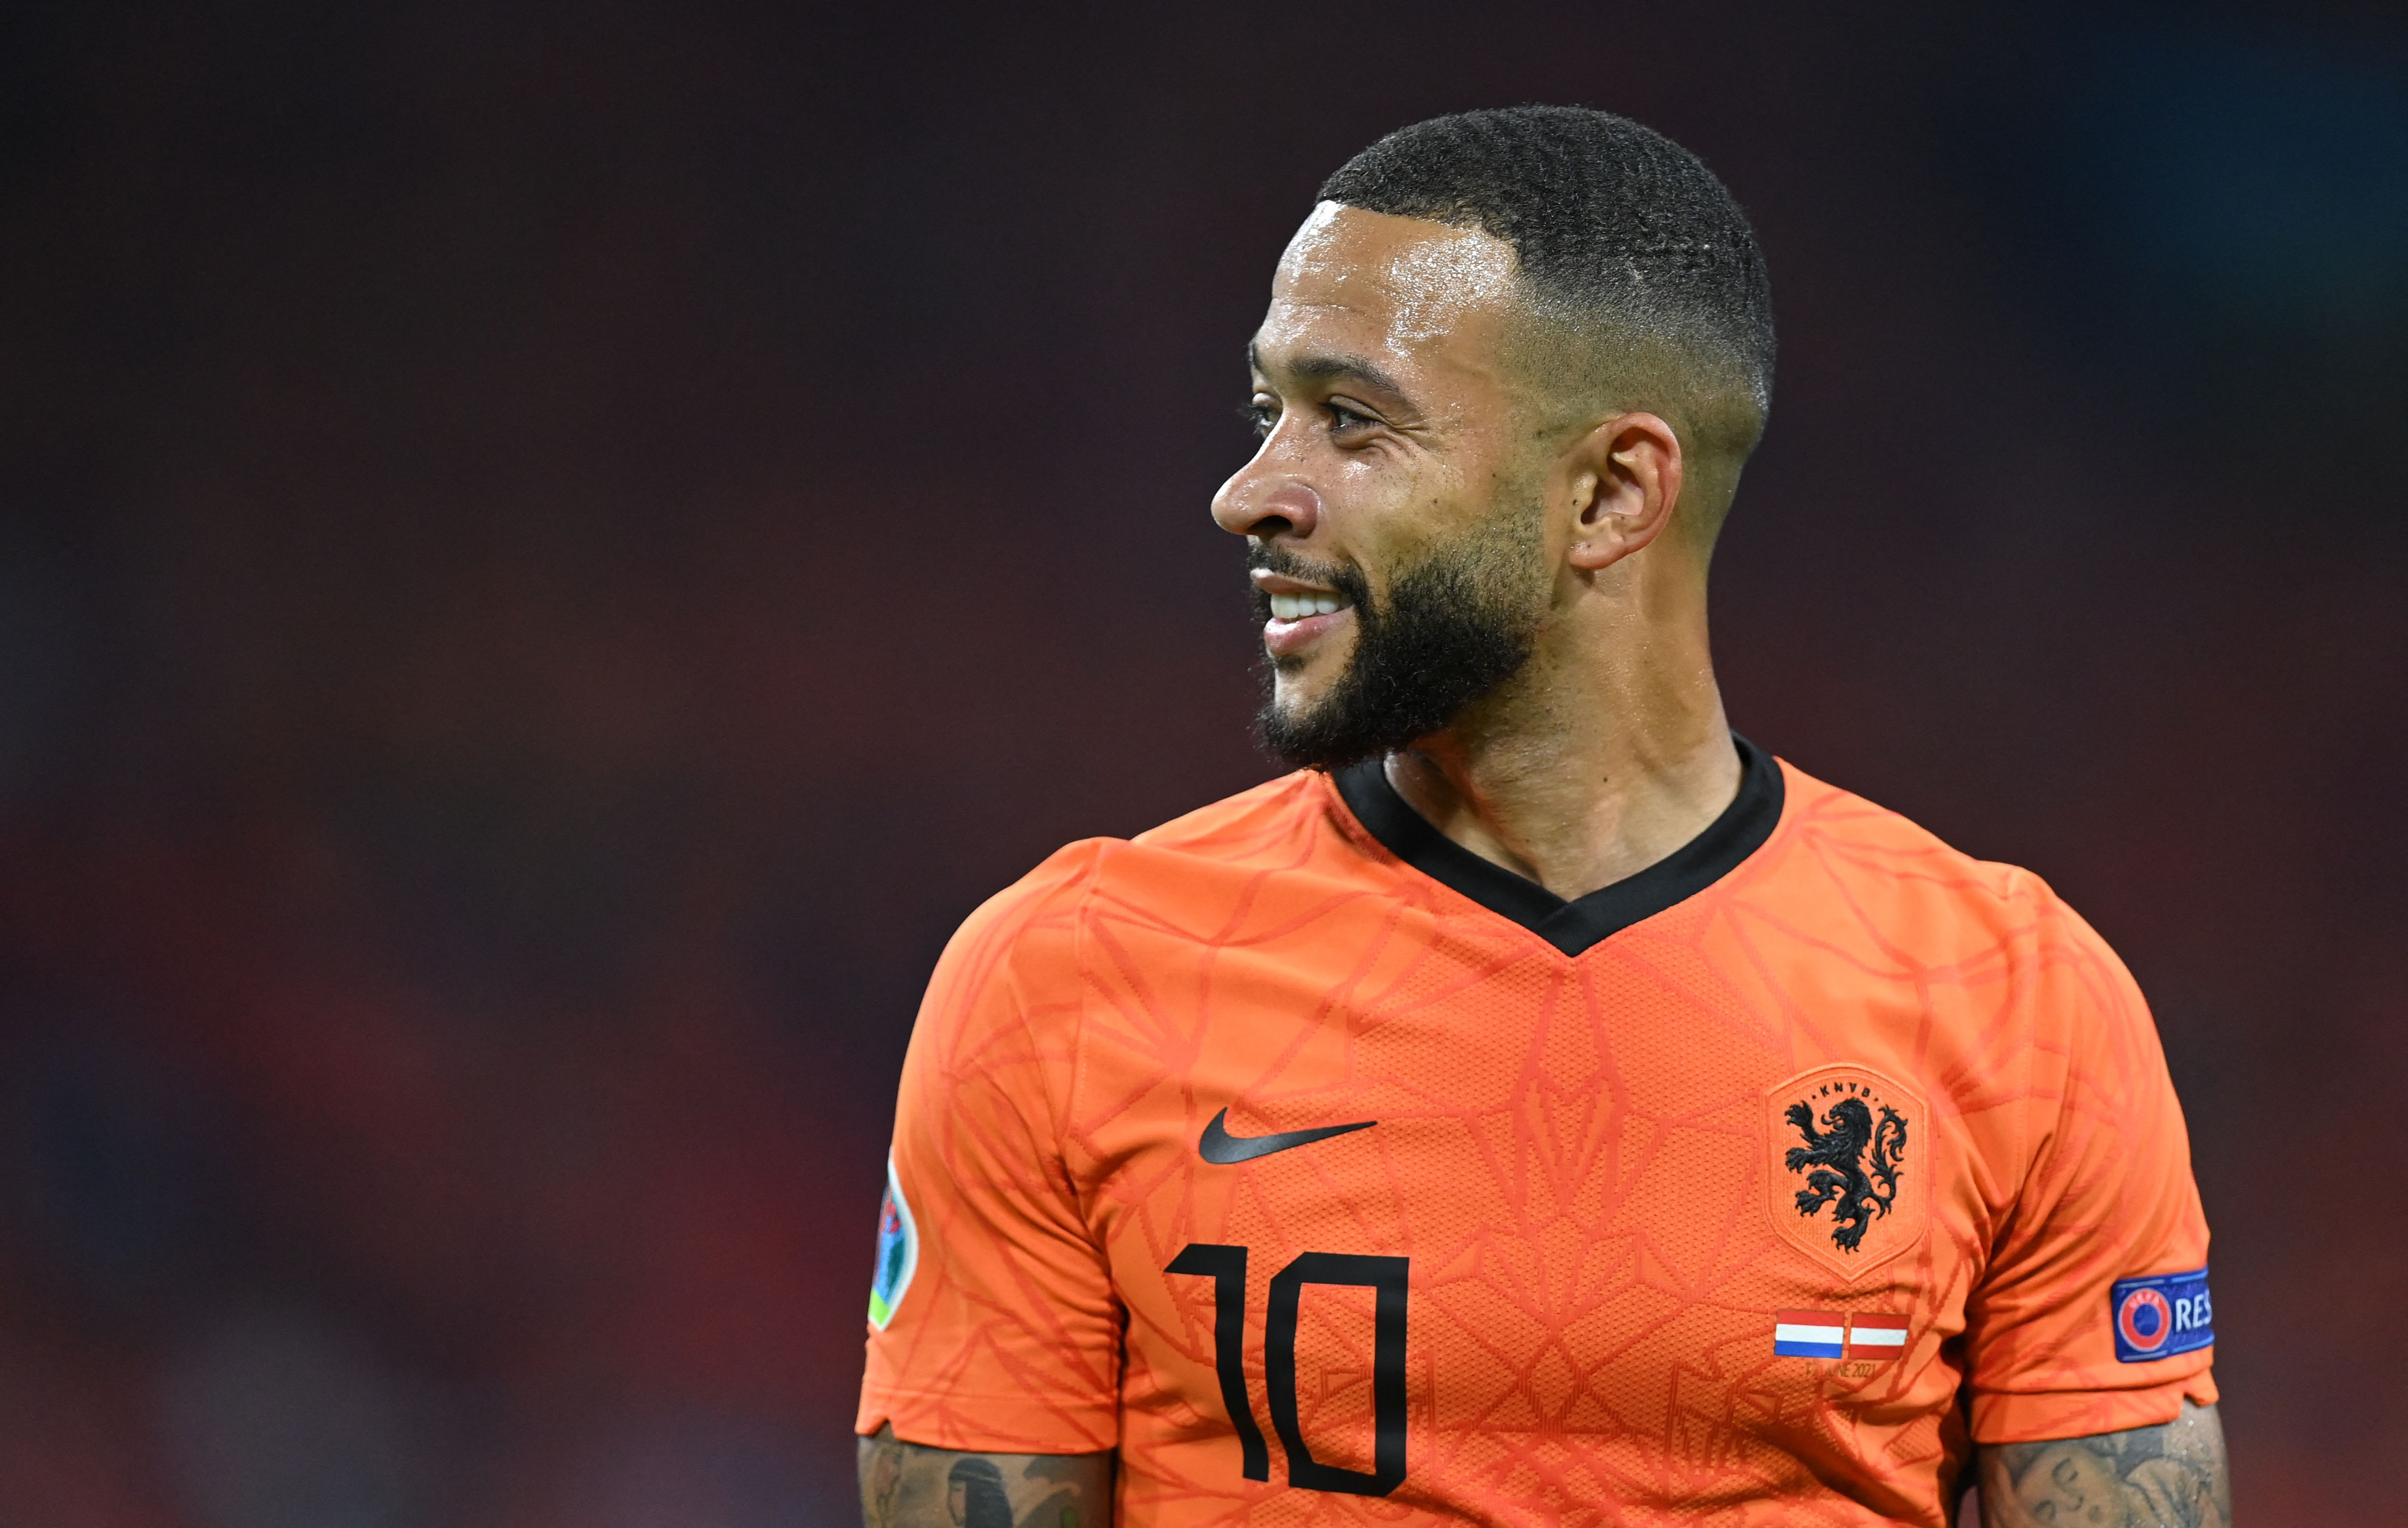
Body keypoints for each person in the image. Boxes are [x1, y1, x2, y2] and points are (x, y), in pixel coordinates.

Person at [854, 105, 2225, 1528]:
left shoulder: (2019, 1007)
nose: (1248, 494)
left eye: (1354, 421)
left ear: (1611, 494)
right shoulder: (1064, 982)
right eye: (1268, 413)